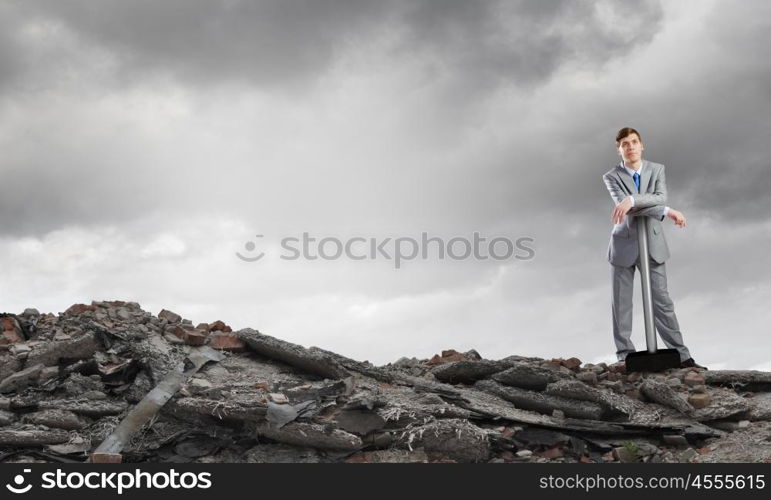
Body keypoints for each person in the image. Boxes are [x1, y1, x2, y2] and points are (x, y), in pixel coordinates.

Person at [602, 127, 705, 369]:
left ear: (642, 145)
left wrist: (634, 200)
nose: (631, 147)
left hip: (653, 243)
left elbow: (660, 196)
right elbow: (627, 206)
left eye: (634, 142)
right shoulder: (611, 176)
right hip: (623, 244)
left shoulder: (657, 169)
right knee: (622, 303)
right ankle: (624, 355)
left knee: (663, 302)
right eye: (625, 144)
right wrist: (667, 211)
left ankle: (682, 356)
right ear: (619, 149)